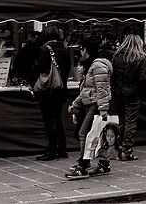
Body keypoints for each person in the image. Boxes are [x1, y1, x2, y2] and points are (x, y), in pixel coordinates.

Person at [65, 41, 114, 178]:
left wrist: (103, 110)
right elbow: (88, 90)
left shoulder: (98, 66)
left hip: (96, 105)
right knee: (100, 134)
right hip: (92, 103)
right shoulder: (93, 66)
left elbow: (102, 89)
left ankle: (83, 165)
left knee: (85, 134)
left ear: (87, 50)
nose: (80, 52)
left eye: (82, 49)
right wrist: (76, 104)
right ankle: (104, 164)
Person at [109, 35, 146, 161]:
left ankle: (118, 147)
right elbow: (145, 79)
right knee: (130, 122)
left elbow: (113, 76)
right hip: (133, 93)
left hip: (118, 93)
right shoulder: (140, 58)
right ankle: (126, 149)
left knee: (122, 121)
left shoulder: (117, 57)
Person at [32, 28, 71, 161]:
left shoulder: (45, 50)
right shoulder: (65, 50)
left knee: (49, 119)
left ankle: (52, 149)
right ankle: (62, 149)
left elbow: (38, 67)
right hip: (61, 88)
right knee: (58, 119)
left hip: (48, 90)